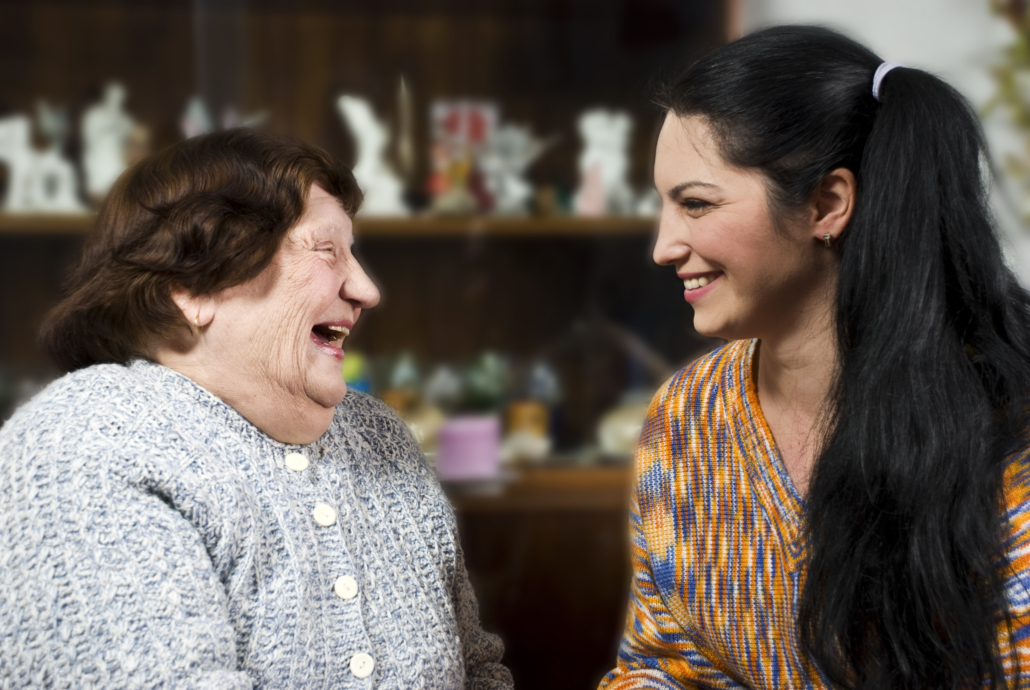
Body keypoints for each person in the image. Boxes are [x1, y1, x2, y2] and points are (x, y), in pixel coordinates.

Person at [0, 129, 513, 689]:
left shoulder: (379, 438)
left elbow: (479, 673)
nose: (367, 290)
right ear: (193, 288)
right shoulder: (84, 442)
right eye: (327, 249)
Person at [600, 26, 1030, 690]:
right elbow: (661, 666)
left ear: (827, 204)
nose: (662, 245)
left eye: (696, 204)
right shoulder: (685, 418)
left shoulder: (1009, 423)